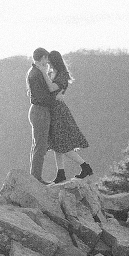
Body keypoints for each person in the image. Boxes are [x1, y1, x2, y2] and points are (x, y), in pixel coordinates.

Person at [45, 50, 93, 183]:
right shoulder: (51, 73)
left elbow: (52, 88)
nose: (48, 63)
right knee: (56, 144)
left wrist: (43, 73)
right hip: (52, 110)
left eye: (49, 61)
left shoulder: (62, 75)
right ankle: (60, 173)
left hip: (59, 112)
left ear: (54, 61)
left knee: (62, 145)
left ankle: (85, 166)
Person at [26, 47, 54, 182]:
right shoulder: (37, 74)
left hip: (37, 110)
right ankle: (36, 178)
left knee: (38, 145)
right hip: (40, 111)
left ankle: (35, 176)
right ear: (43, 58)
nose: (47, 62)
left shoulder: (33, 72)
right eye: (46, 59)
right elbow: (42, 96)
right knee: (40, 146)